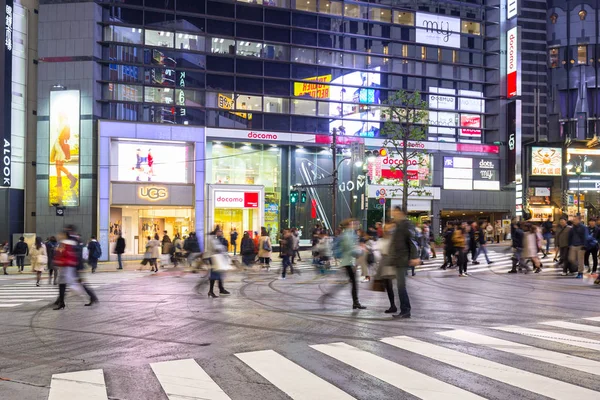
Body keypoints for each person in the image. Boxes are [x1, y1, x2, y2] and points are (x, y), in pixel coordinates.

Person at [390, 207, 420, 318]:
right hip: (398, 259)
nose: (394, 215)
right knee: (400, 286)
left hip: (403, 259)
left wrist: (415, 256)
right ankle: (404, 310)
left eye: (395, 213)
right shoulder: (398, 225)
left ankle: (406, 310)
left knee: (401, 286)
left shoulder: (406, 224)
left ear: (401, 213)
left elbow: (412, 241)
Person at [337, 219, 365, 309]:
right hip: (349, 261)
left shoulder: (350, 234)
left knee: (353, 283)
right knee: (353, 283)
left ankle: (355, 302)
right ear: (349, 224)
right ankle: (356, 302)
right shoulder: (348, 235)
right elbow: (350, 249)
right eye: (354, 223)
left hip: (349, 261)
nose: (356, 224)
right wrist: (360, 251)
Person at [205, 227, 230, 298]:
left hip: (214, 257)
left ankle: (219, 289)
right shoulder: (212, 238)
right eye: (219, 231)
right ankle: (211, 291)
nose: (220, 232)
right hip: (214, 258)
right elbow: (215, 247)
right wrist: (222, 248)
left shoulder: (211, 238)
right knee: (215, 274)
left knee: (218, 273)